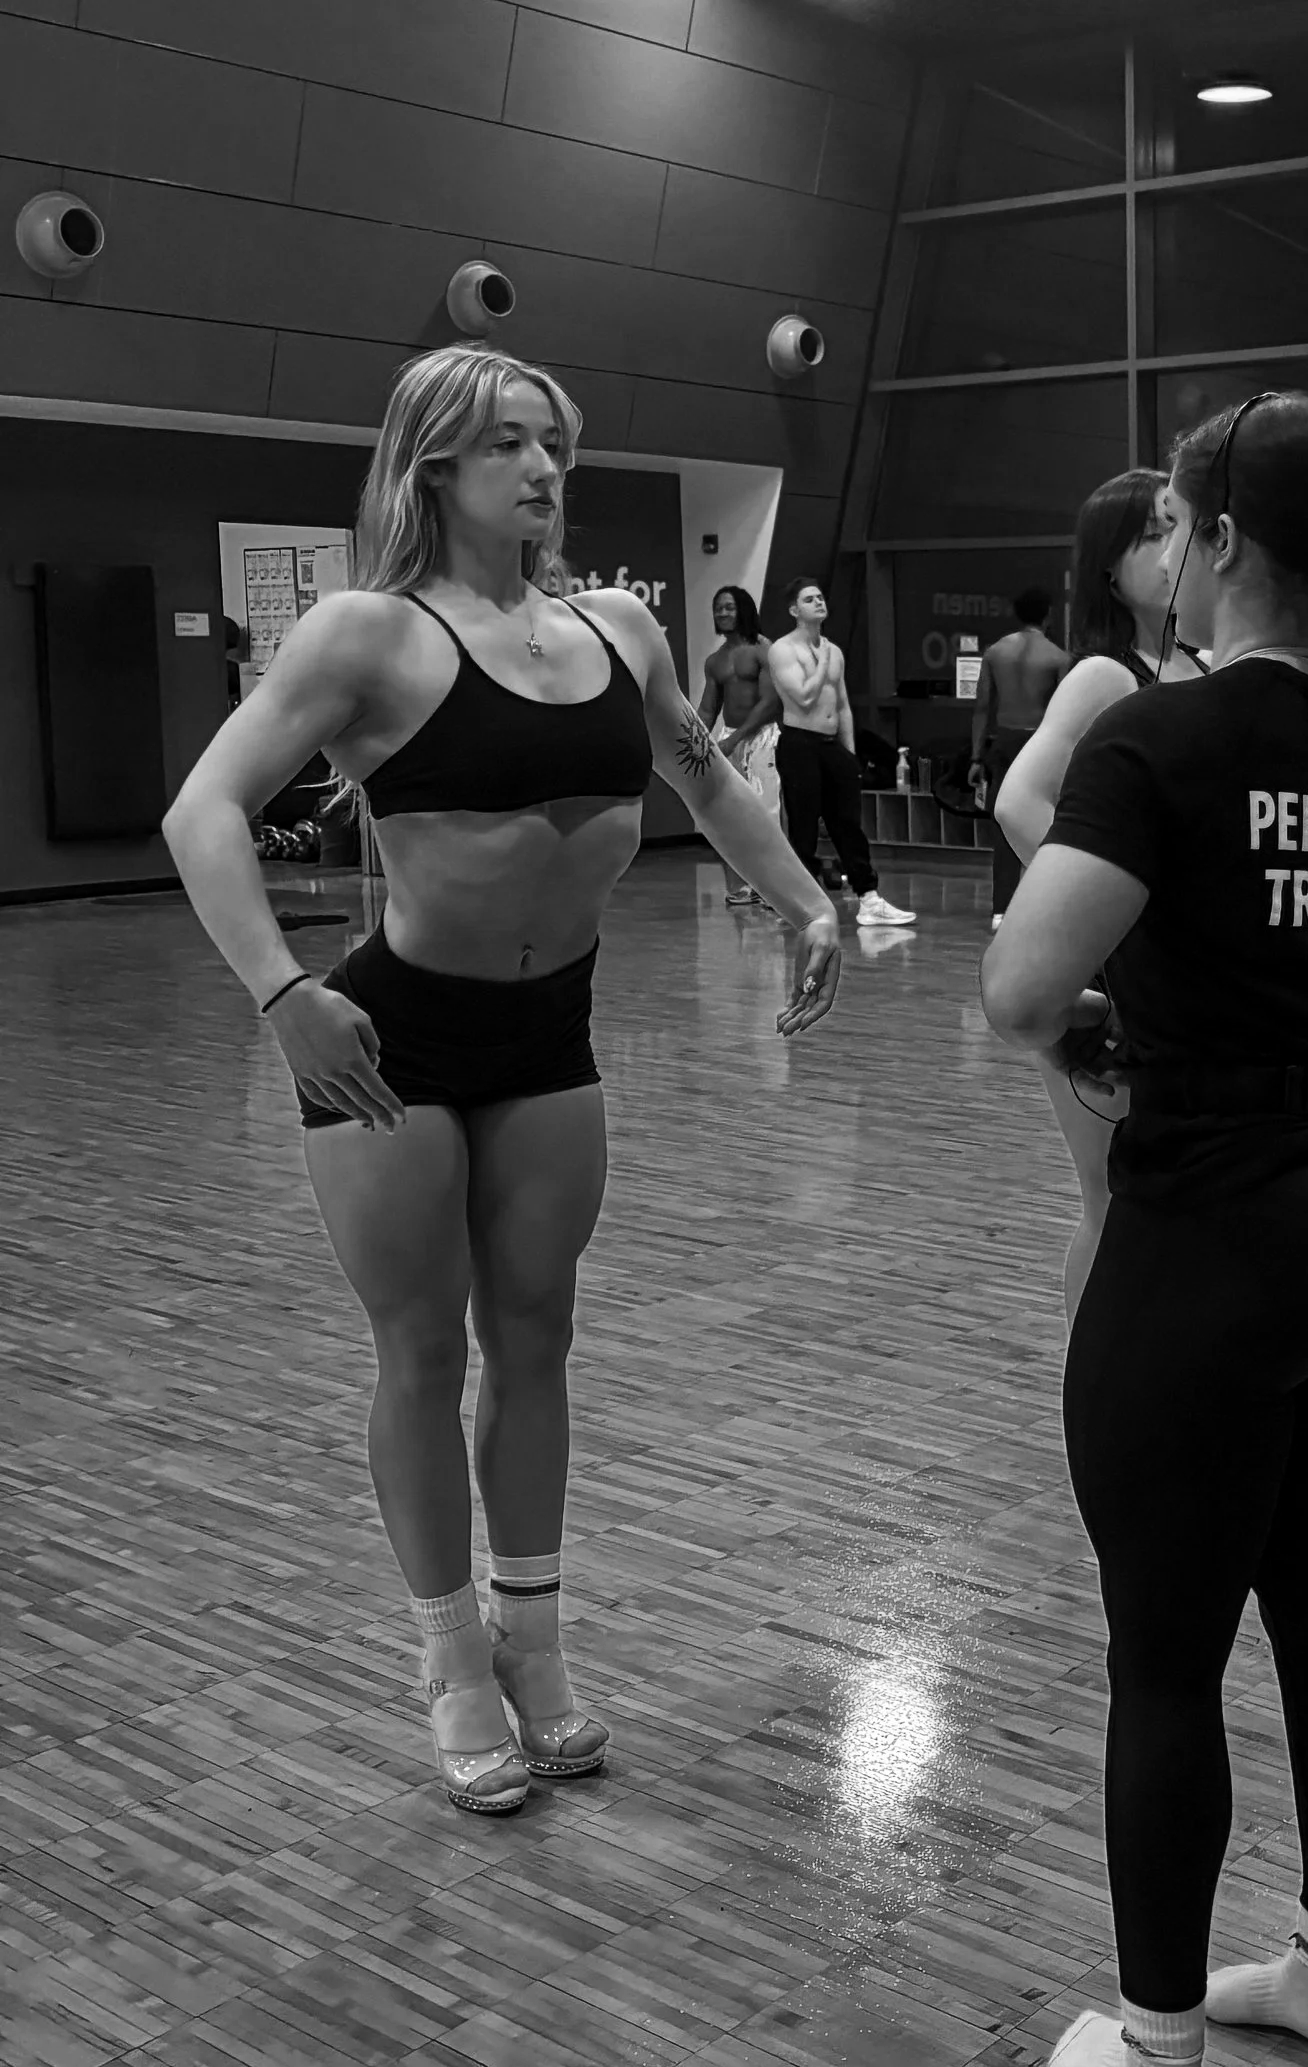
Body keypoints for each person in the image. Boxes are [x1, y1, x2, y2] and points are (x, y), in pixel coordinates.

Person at [161, 347, 843, 1814]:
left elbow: (706, 777)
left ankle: (532, 1641)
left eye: (552, 446)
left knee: (535, 1338)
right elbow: (201, 809)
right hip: (390, 1044)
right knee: (420, 1350)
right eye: (508, 446)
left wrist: (808, 902)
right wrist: (282, 995)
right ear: (433, 467)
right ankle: (450, 1659)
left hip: (551, 1037)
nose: (541, 471)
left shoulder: (617, 629)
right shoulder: (366, 634)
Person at [981, 392, 1308, 2067]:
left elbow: (1023, 990)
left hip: (1215, 1232)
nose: (1163, 553)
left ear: (1227, 539)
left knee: (1165, 1661)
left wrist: (1142, 993)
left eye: (1177, 524)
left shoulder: (1159, 740)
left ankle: (1158, 2060)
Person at [993, 470, 1202, 1318]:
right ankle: (1091, 1383)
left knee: (1176, 1200)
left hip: (1182, 978)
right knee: (1113, 1198)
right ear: (1109, 569)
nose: (1172, 548)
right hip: (1109, 976)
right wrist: (1117, 908)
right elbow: (1018, 802)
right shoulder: (1105, 676)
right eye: (1150, 534)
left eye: (1177, 526)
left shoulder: (1206, 664)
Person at [770, 581, 915, 929]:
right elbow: (804, 697)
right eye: (809, 599)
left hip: (831, 743)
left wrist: (849, 756)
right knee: (803, 826)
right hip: (799, 743)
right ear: (794, 610)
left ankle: (869, 898)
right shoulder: (783, 650)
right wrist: (821, 660)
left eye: (820, 597)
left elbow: (843, 705)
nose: (818, 602)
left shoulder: (834, 650)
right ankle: (802, 905)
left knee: (848, 824)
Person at [970, 587, 1071, 927]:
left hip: (1005, 741)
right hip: (1041, 744)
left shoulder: (995, 652)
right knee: (1051, 823)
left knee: (1005, 823)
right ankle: (1048, 905)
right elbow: (1065, 712)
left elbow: (982, 707)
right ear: (1049, 615)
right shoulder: (1058, 657)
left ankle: (1001, 909)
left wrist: (975, 757)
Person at [698, 585, 781, 908]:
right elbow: (708, 709)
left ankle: (775, 887)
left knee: (767, 814)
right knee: (734, 816)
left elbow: (770, 702)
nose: (722, 613)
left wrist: (735, 739)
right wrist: (695, 744)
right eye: (718, 608)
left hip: (762, 737)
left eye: (729, 607)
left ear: (743, 609)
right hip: (730, 738)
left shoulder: (763, 650)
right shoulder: (715, 660)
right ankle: (745, 885)